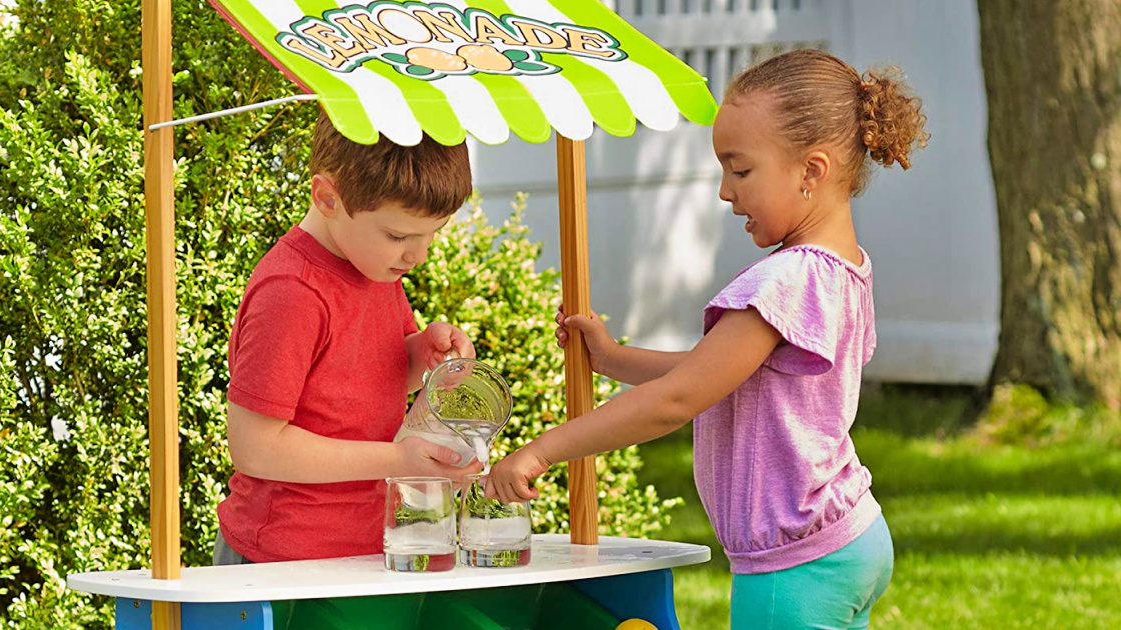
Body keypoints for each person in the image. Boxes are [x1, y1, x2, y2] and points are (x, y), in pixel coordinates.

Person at [486, 49, 929, 629]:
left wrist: (542, 451)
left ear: (811, 171)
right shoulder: (844, 269)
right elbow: (720, 371)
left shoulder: (785, 280)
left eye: (740, 170)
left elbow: (678, 399)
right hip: (849, 538)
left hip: (795, 566)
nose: (725, 191)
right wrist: (614, 358)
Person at [213, 112, 484, 565]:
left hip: (364, 548)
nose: (419, 255)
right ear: (327, 198)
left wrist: (423, 355)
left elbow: (362, 381)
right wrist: (398, 460)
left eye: (433, 234)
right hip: (281, 558)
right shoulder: (292, 294)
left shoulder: (373, 264)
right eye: (399, 235)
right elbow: (255, 448)